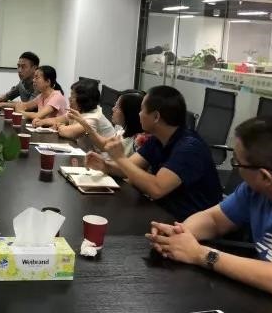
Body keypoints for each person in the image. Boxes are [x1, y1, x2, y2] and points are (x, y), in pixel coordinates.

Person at [146, 117, 272, 311]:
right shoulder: (257, 189)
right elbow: (214, 220)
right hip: (264, 298)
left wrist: (199, 254)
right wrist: (179, 234)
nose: (235, 168)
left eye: (237, 163)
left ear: (265, 177)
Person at [84, 85, 222, 221]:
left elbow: (156, 189)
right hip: (163, 212)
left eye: (142, 110)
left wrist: (120, 158)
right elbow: (128, 168)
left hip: (189, 223)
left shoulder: (189, 148)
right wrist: (105, 165)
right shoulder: (158, 139)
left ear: (156, 117)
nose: (139, 114)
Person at [33, 79, 114, 150]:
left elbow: (67, 132)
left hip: (104, 159)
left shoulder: (94, 117)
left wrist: (59, 126)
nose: (69, 98)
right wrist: (41, 122)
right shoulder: (80, 110)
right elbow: (58, 119)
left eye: (73, 96)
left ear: (83, 100)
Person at [69, 91, 147, 156]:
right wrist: (85, 124)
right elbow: (104, 144)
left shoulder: (139, 141)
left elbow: (125, 168)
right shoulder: (122, 130)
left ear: (128, 112)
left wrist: (104, 164)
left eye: (117, 107)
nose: (113, 109)